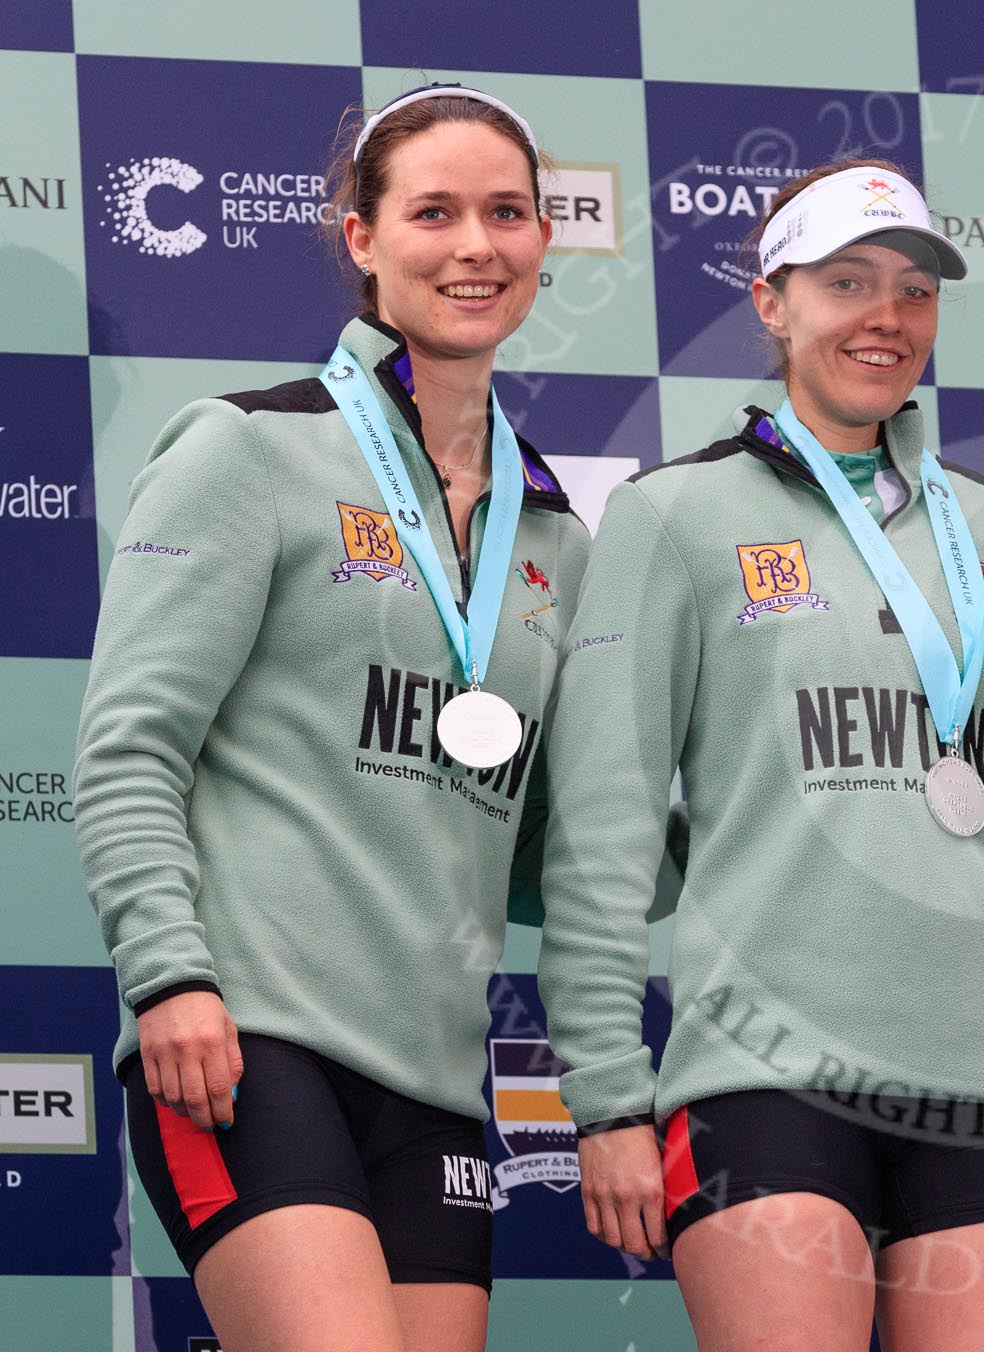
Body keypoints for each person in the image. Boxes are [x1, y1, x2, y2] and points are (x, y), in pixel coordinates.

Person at [534, 158, 984, 1351]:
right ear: (771, 301)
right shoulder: (671, 517)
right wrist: (604, 1091)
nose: (886, 316)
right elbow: (598, 829)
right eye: (848, 280)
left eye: (914, 289)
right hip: (765, 1077)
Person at [74, 84, 582, 1351]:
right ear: (361, 237)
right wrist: (170, 973)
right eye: (435, 211)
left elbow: (527, 844)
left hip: (433, 1079)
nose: (477, 244)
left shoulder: (557, 533)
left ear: (542, 244)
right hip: (247, 1041)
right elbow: (131, 744)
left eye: (507, 212)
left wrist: (725, 819)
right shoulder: (250, 448)